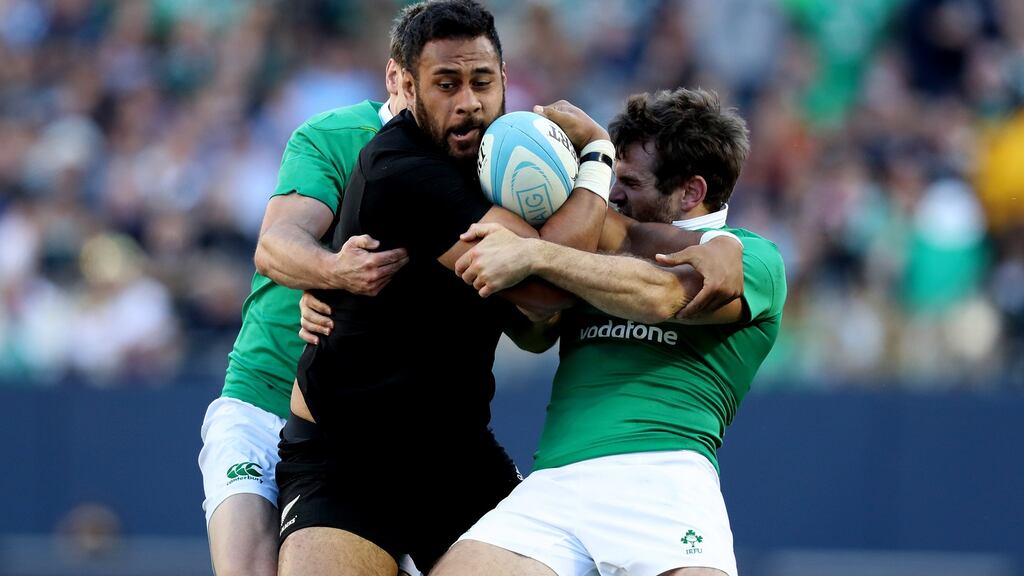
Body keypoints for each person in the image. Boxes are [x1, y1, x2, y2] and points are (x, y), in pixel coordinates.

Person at [274, 1, 619, 575]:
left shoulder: (515, 163)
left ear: (505, 80)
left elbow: (536, 320)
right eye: (446, 84)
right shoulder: (399, 169)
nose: (469, 103)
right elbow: (542, 294)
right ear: (408, 87)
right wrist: (598, 156)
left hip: (456, 457)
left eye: (482, 82)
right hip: (346, 454)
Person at [433, 87, 787, 576]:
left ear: (691, 192)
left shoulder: (755, 258)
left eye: (629, 182)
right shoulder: (594, 247)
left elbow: (661, 296)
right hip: (554, 484)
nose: (611, 193)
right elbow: (536, 331)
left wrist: (539, 255)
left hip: (663, 477)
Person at [196, 4, 426, 575]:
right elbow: (275, 247)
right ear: (397, 77)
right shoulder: (335, 135)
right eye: (439, 81)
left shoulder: (475, 165)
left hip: (366, 430)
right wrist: (334, 273)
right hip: (262, 399)